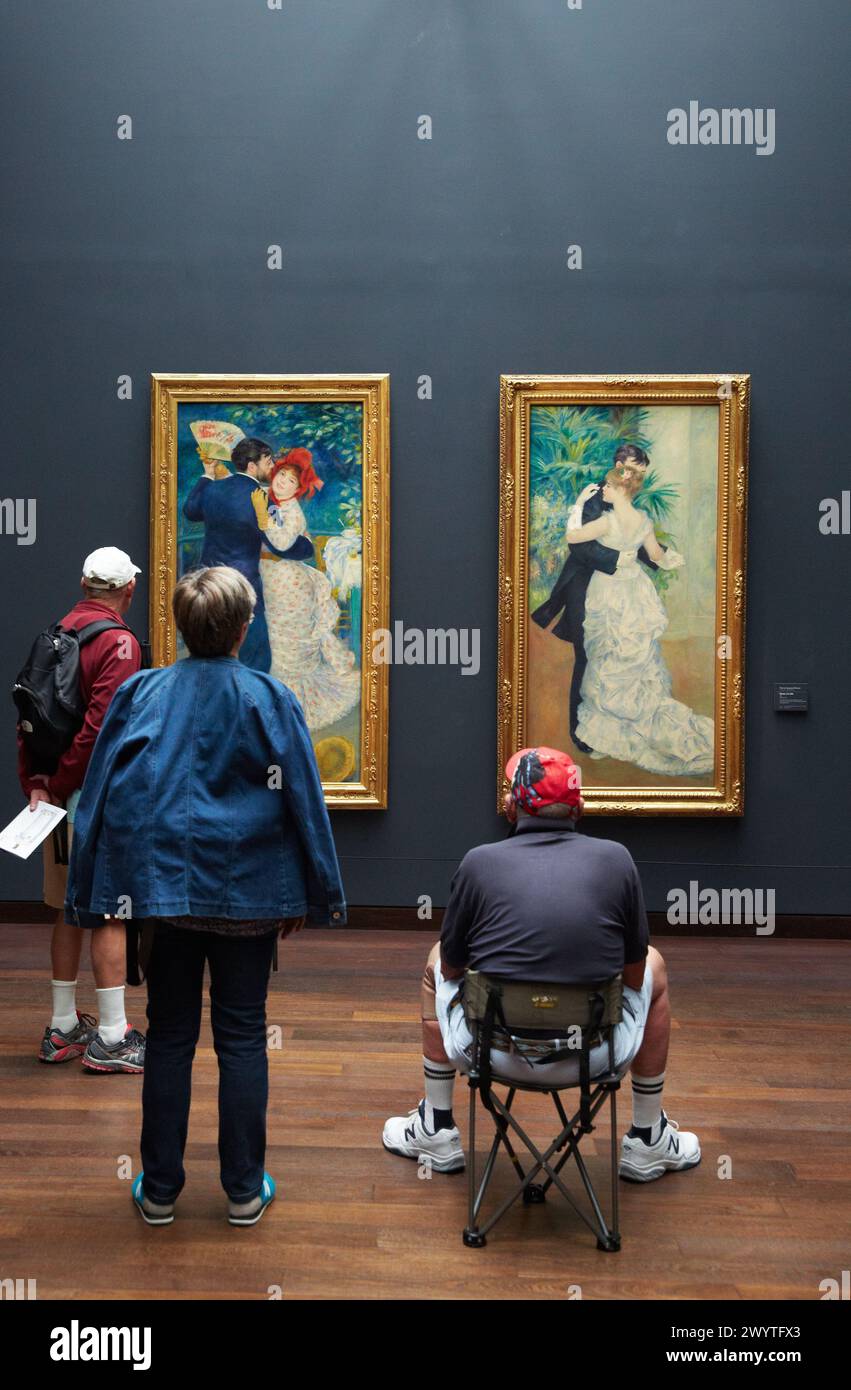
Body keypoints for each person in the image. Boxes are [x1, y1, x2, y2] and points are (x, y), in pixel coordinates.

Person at [66, 565, 346, 1226]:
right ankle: (244, 1191)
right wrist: (316, 893)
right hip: (248, 895)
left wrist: (90, 894)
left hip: (160, 894)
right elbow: (304, 797)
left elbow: (99, 799)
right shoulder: (271, 697)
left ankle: (159, 1192)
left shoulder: (141, 694)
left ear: (180, 626)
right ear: (245, 627)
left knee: (168, 1038)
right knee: (243, 1036)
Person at [383, 746, 700, 1183]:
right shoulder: (617, 860)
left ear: (513, 806)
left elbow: (453, 969)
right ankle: (647, 1139)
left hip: (492, 1052)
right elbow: (632, 976)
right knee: (655, 967)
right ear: (580, 807)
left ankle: (436, 1129)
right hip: (593, 1055)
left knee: (436, 958)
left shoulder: (479, 862)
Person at [17, 546, 145, 1072]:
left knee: (68, 908)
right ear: (128, 591)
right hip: (99, 798)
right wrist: (69, 784)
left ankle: (62, 1027)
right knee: (110, 910)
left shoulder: (57, 632)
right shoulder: (119, 642)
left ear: (84, 582)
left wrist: (38, 784)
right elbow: (102, 732)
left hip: (50, 800)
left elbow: (30, 713)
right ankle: (113, 1038)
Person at [566, 464, 714, 774]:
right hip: (634, 590)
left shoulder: (606, 522)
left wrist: (579, 502)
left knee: (609, 656)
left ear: (620, 489)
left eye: (607, 486)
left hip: (609, 592)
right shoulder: (643, 520)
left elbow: (573, 537)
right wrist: (669, 558)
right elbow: (657, 556)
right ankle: (630, 723)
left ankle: (609, 735)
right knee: (633, 655)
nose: (603, 490)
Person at [532, 445, 660, 754]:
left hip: (615, 590)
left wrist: (658, 557)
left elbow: (631, 535)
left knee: (614, 657)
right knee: (588, 656)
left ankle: (611, 727)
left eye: (642, 472)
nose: (638, 476)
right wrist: (620, 558)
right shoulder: (595, 496)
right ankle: (580, 731)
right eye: (634, 468)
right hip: (585, 586)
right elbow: (580, 548)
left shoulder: (624, 496)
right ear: (619, 465)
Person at [182, 436, 314, 672]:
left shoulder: (212, 488)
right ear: (252, 466)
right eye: (268, 461)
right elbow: (278, 545)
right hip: (244, 586)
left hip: (209, 581)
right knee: (257, 657)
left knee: (211, 648)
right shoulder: (261, 499)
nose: (272, 466)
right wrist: (307, 547)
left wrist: (207, 474)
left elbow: (190, 511)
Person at [261, 450, 360, 731]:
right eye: (281, 475)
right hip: (267, 576)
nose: (282, 483)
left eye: (291, 481)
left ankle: (290, 703)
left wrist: (262, 518)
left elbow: (280, 542)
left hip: (287, 583)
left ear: (298, 488)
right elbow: (257, 489)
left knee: (288, 639)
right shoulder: (271, 497)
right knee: (271, 636)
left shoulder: (292, 511)